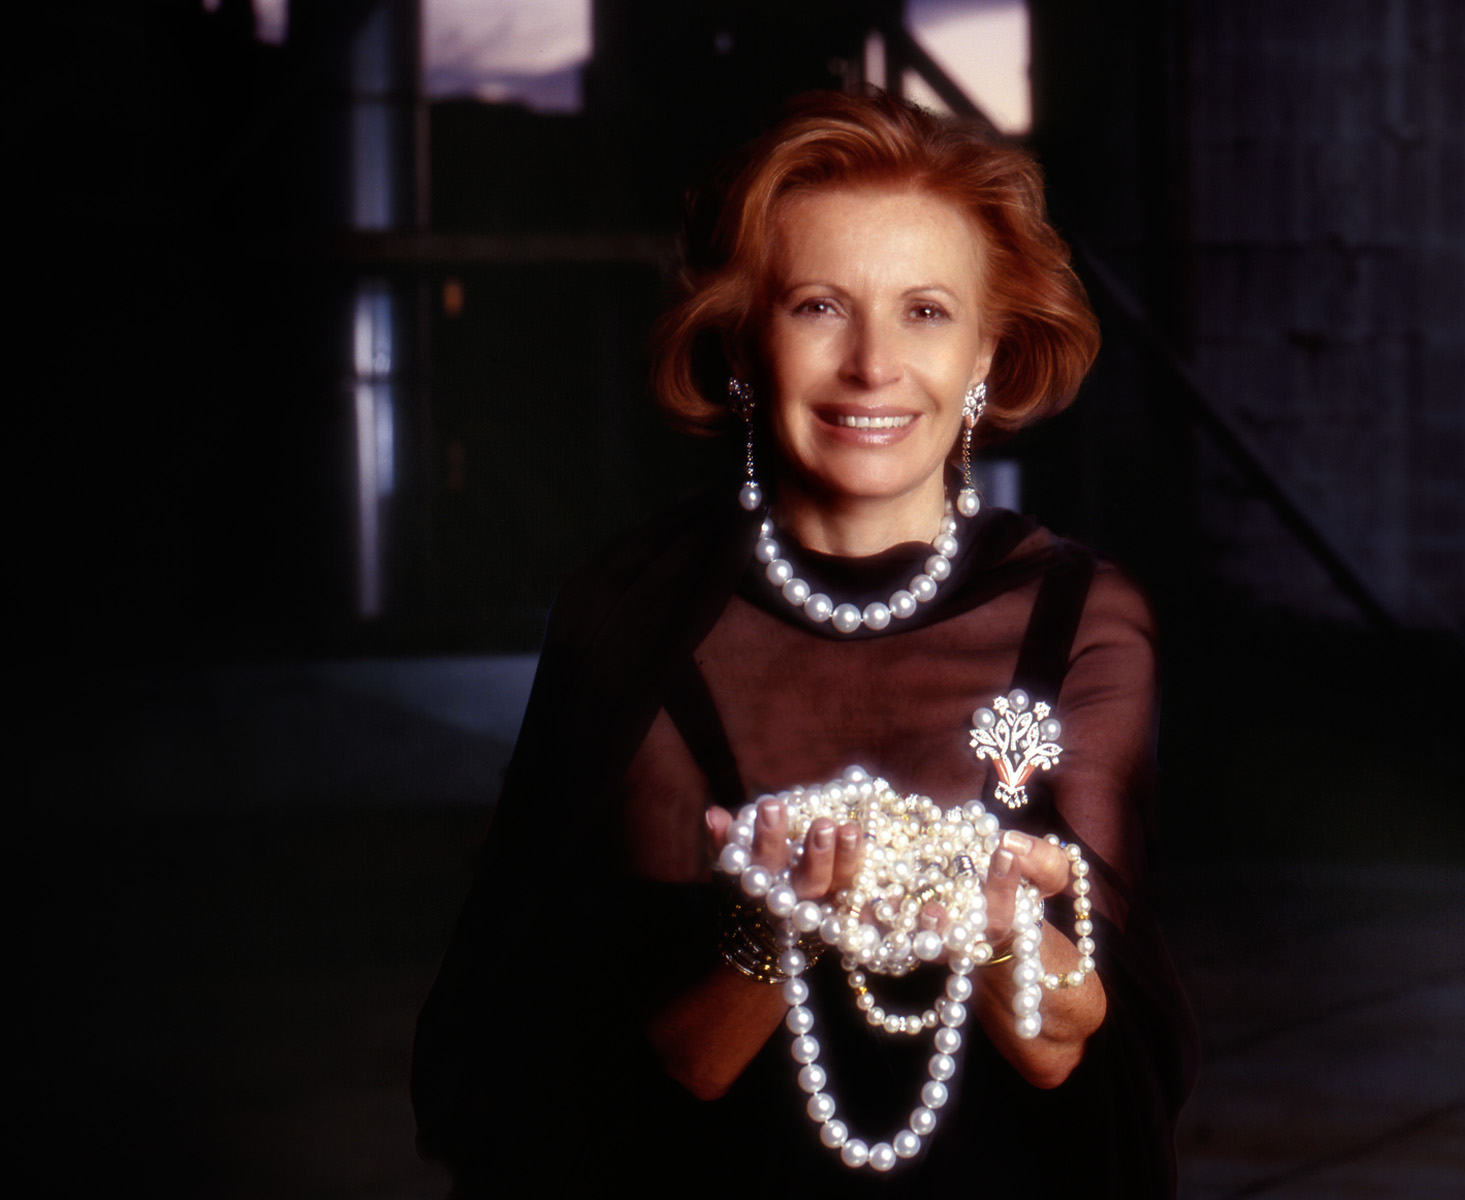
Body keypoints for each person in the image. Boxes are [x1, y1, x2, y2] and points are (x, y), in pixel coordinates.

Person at [412, 89, 1195, 1197]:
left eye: (926, 311)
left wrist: (999, 930)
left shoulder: (1087, 616)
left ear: (986, 351)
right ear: (745, 342)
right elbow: (662, 1063)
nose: (873, 364)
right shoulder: (632, 613)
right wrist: (773, 930)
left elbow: (1064, 1048)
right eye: (820, 305)